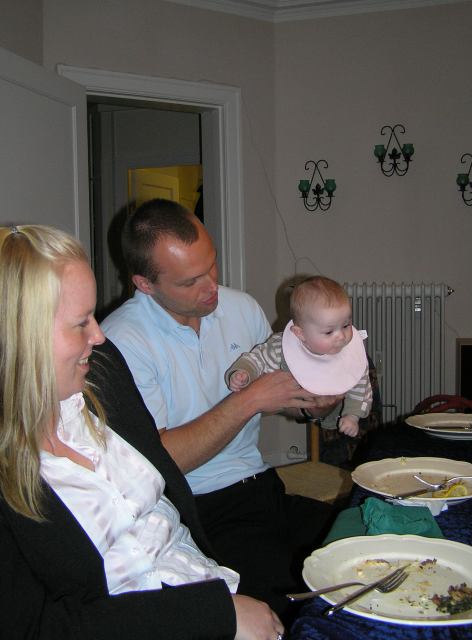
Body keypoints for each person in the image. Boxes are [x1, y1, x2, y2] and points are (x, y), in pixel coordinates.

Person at [0, 224, 284, 640]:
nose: (99, 335)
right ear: (18, 339)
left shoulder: (100, 375)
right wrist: (216, 615)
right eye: (80, 323)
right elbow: (34, 628)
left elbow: (170, 504)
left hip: (213, 582)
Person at [101, 198, 342, 619]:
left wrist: (318, 405)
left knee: (356, 542)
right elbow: (159, 463)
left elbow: (288, 395)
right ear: (145, 284)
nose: (211, 285)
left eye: (211, 265)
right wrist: (249, 400)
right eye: (190, 281)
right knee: (296, 604)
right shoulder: (121, 342)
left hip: (262, 487)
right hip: (194, 509)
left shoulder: (241, 308)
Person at [225, 276, 373, 438]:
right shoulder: (281, 349)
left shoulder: (350, 352)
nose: (341, 336)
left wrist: (352, 416)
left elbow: (361, 385)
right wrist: (244, 372)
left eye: (346, 325)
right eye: (329, 331)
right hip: (301, 406)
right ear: (300, 334)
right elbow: (257, 360)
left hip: (336, 416)